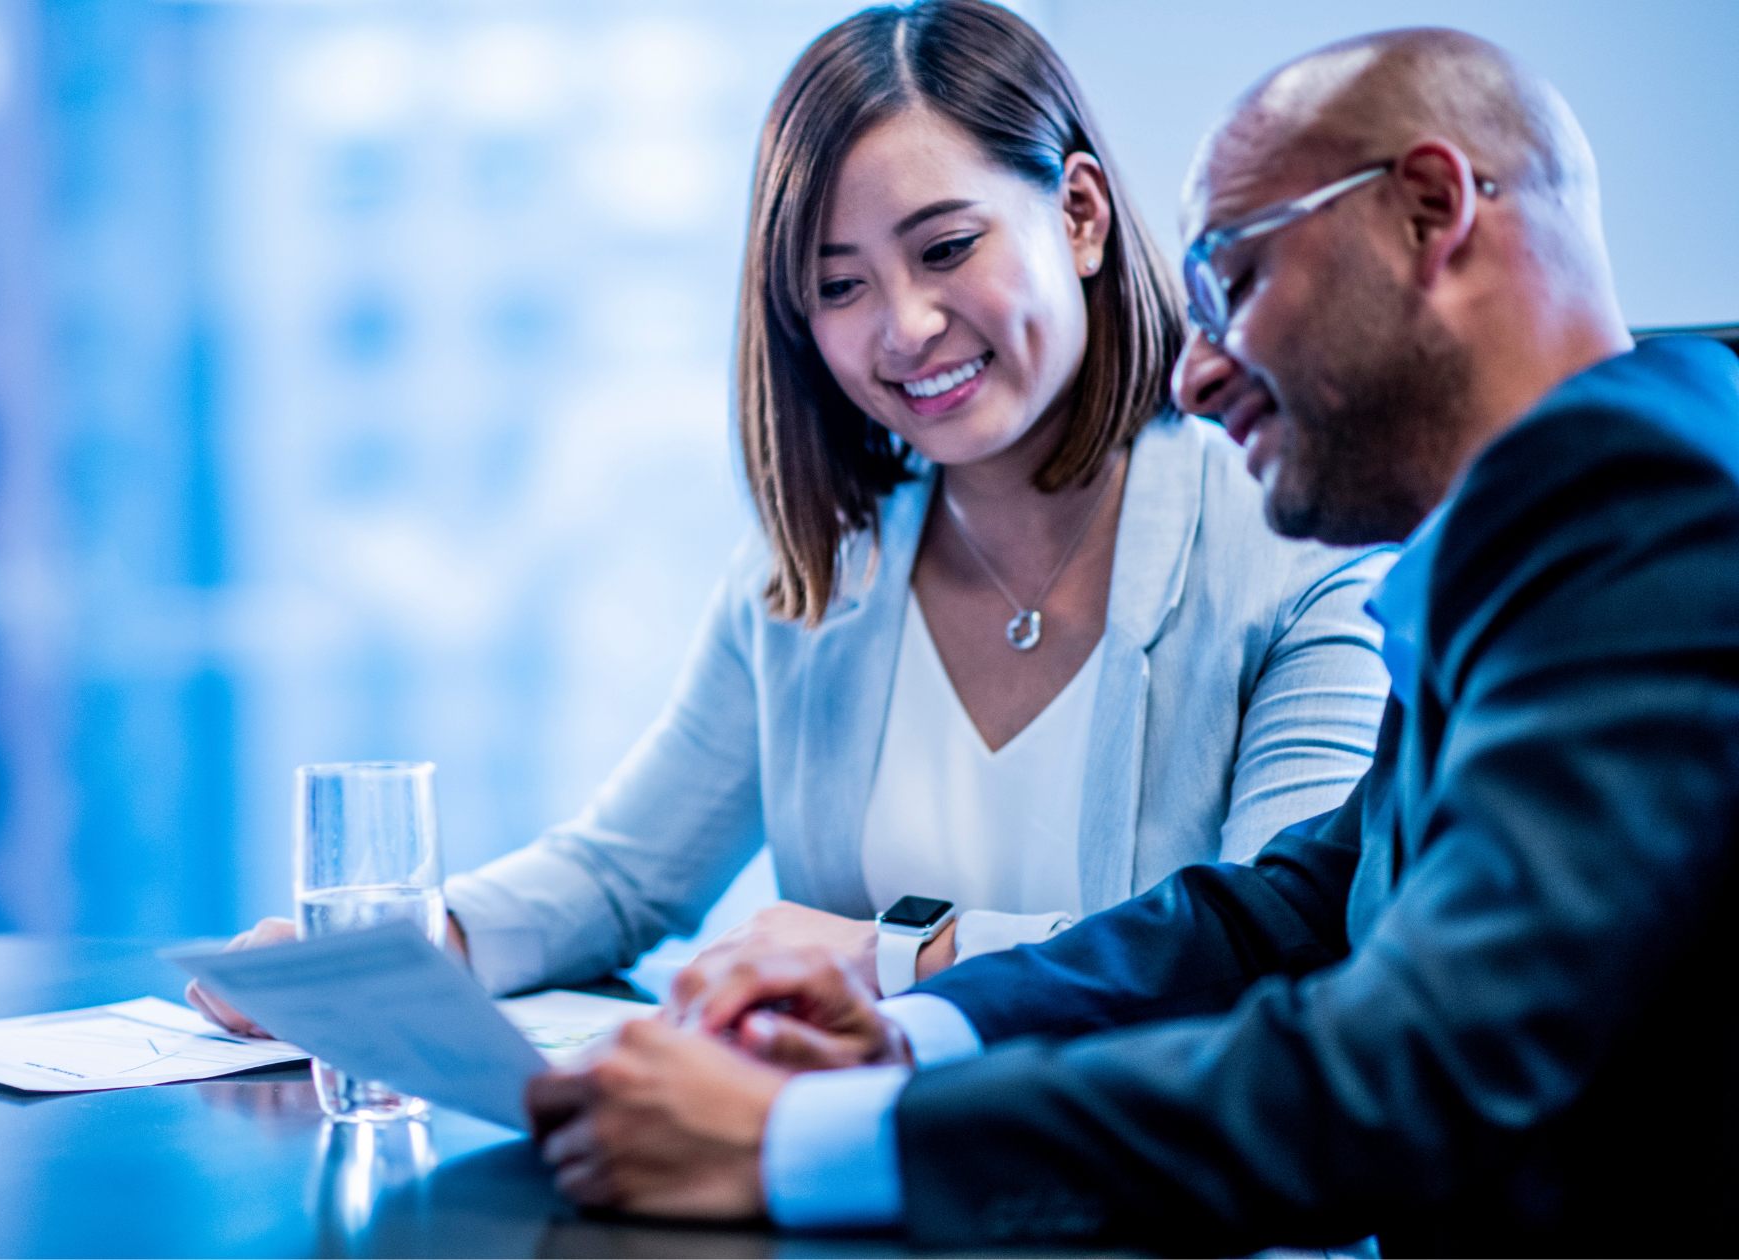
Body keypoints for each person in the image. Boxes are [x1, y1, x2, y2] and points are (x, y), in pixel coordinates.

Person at [524, 25, 1739, 1257]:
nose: (1196, 372)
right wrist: (913, 1029)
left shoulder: (1628, 498)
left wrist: (805, 1143)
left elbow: (1412, 1064)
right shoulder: (1556, 515)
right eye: (837, 285)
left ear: (1429, 210)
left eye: (1235, 282)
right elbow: (1278, 916)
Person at [188, 0, 1393, 1035]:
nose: (903, 326)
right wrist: (401, 945)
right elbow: (620, 879)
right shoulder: (815, 575)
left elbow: (1281, 941)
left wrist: (885, 960)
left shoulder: (1298, 548)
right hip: (864, 1199)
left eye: (945, 247)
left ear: (1077, 216)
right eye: (838, 285)